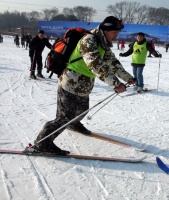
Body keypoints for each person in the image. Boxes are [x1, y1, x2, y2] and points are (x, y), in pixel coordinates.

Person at [32, 16, 136, 154]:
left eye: (117, 32)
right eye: (114, 32)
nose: (117, 35)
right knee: (64, 117)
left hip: (84, 85)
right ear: (105, 30)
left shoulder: (103, 43)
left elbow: (113, 63)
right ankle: (42, 143)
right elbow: (95, 64)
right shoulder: (89, 40)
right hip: (70, 82)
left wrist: (127, 78)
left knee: (82, 111)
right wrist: (116, 84)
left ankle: (73, 125)